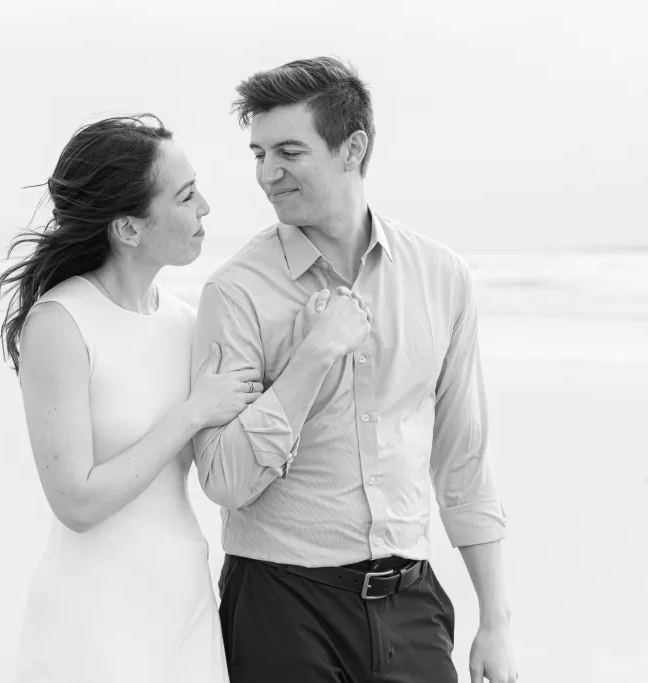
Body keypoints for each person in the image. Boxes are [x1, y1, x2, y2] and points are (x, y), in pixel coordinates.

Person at [190, 57, 519, 683]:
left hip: (412, 602)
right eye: (258, 154)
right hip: (281, 604)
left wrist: (496, 621)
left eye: (289, 151)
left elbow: (464, 460)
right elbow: (224, 479)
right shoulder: (234, 292)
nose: (268, 174)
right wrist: (313, 356)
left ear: (353, 148)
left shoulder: (441, 276)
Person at [0, 114, 254, 682]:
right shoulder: (61, 323)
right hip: (94, 619)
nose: (206, 207)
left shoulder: (190, 324)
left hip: (185, 603)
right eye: (185, 196)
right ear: (129, 228)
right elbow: (76, 503)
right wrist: (192, 413)